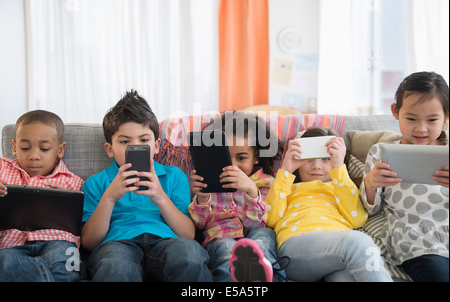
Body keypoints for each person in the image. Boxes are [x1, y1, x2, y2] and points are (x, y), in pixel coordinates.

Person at [81, 90, 211, 282]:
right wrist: (109, 198)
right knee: (115, 267)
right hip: (117, 244)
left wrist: (160, 196)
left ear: (156, 145)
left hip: (167, 241)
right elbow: (90, 243)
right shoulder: (95, 183)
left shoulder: (174, 176)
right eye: (125, 142)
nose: (135, 147)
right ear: (109, 149)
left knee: (189, 256)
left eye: (143, 140)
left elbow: (188, 234)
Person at [265, 127, 393, 282]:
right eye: (309, 159)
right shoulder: (286, 186)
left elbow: (357, 218)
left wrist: (339, 169)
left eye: (326, 159)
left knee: (348, 276)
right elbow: (269, 218)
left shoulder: (342, 186)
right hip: (295, 249)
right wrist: (286, 170)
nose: (317, 166)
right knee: (359, 241)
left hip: (339, 257)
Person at [360, 71, 449, 282]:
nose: (421, 128)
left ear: (446, 116)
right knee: (437, 273)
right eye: (411, 118)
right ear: (395, 111)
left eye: (432, 120)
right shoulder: (381, 152)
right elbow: (370, 208)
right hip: (416, 238)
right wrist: (371, 183)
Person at [189, 111, 286, 282]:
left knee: (263, 238)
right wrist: (202, 197)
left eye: (241, 157)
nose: (233, 166)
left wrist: (251, 190)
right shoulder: (208, 183)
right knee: (226, 249)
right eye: (225, 157)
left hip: (255, 233)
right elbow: (199, 224)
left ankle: (266, 276)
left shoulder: (266, 183)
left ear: (255, 157)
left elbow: (260, 222)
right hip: (220, 237)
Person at [0, 110, 84, 282]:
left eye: (44, 149)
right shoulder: (2, 169)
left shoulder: (74, 182)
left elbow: (83, 224)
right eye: (25, 148)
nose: (34, 156)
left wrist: (65, 199)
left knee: (67, 269)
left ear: (60, 150)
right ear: (14, 147)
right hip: (12, 244)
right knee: (7, 264)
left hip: (61, 243)